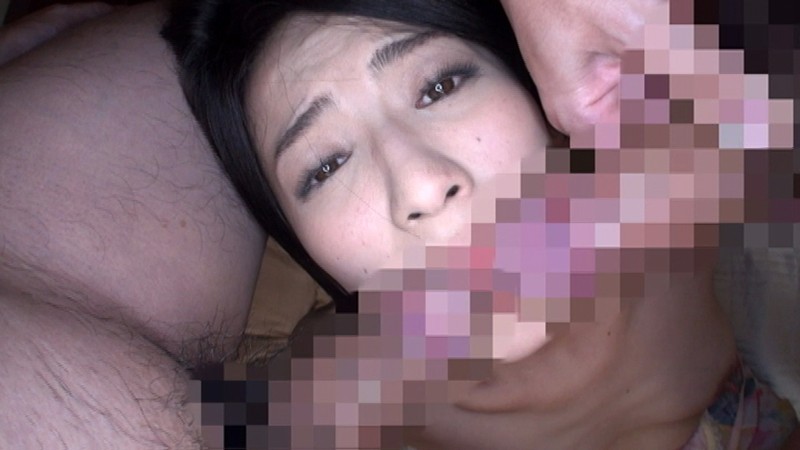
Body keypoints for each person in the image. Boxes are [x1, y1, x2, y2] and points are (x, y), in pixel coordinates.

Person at [163, 0, 797, 448]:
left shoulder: (693, 180)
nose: (421, 186)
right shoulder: (324, 397)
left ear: (533, 89)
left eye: (440, 86)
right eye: (325, 165)